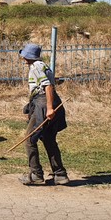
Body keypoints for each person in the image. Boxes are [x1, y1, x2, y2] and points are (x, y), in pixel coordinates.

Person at [18, 43, 69, 186]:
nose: (23, 58)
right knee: (48, 139)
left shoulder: (36, 67)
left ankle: (35, 174)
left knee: (29, 139)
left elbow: (48, 86)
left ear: (28, 56)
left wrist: (49, 108)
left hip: (44, 104)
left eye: (24, 55)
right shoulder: (43, 65)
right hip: (49, 102)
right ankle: (60, 175)